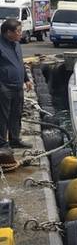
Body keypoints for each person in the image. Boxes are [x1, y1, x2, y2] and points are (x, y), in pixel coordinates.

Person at [0, 18, 32, 151]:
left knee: (16, 114)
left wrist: (26, 79)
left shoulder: (17, 44)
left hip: (18, 86)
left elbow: (20, 63)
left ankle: (15, 139)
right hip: (4, 87)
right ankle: (2, 143)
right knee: (3, 116)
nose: (21, 34)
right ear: (8, 32)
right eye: (18, 31)